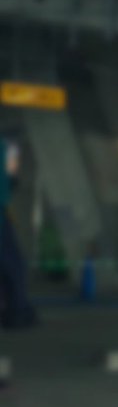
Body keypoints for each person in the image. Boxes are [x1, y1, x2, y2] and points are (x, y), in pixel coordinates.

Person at [0, 137, 37, 329]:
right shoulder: (7, 147)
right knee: (14, 266)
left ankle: (16, 310)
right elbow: (12, 177)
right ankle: (17, 312)